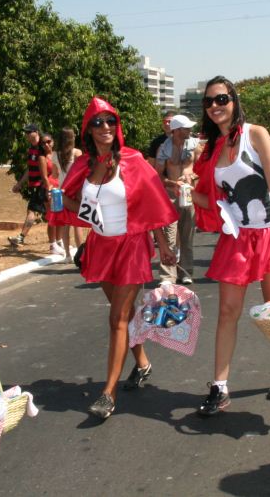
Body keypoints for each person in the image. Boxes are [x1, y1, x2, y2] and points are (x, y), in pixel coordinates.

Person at [53, 97, 177, 420]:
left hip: (132, 246)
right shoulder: (85, 165)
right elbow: (72, 201)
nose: (104, 127)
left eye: (110, 121)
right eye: (97, 123)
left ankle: (108, 393)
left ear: (116, 125)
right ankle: (143, 363)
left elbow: (153, 203)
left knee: (116, 320)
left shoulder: (133, 160)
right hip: (101, 247)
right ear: (88, 130)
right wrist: (62, 204)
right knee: (123, 315)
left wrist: (162, 244)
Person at [190, 75, 270, 415]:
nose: (214, 107)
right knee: (226, 312)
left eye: (221, 99)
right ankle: (219, 386)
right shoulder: (208, 149)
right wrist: (182, 191)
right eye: (208, 102)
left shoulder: (256, 135)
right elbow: (214, 201)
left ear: (234, 100)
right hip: (236, 237)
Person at [156, 114, 201, 285]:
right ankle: (168, 276)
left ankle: (186, 272)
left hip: (188, 193)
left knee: (187, 236)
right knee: (169, 237)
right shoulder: (164, 149)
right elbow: (157, 176)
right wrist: (172, 183)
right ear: (176, 130)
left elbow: (202, 169)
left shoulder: (195, 145)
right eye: (186, 128)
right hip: (170, 195)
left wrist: (193, 178)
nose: (190, 130)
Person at [9, 124, 49, 247]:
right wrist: (20, 184)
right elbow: (29, 169)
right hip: (35, 185)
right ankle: (56, 239)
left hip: (41, 185)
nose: (26, 135)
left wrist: (46, 183)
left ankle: (21, 238)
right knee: (50, 213)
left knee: (31, 211)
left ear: (36, 132)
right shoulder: (31, 149)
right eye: (26, 132)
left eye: (29, 132)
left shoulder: (43, 147)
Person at [52, 127, 84, 262]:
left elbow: (55, 175)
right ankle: (81, 253)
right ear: (72, 138)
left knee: (65, 223)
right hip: (75, 189)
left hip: (61, 191)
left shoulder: (54, 155)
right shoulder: (77, 153)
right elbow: (81, 172)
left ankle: (68, 255)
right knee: (77, 223)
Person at [41, 133, 65, 255]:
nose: (46, 144)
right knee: (52, 216)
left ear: (53, 141)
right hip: (50, 187)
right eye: (43, 143)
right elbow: (44, 176)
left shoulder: (58, 155)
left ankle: (59, 241)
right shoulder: (43, 158)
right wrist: (48, 189)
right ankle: (52, 244)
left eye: (48, 141)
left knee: (60, 216)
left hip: (60, 186)